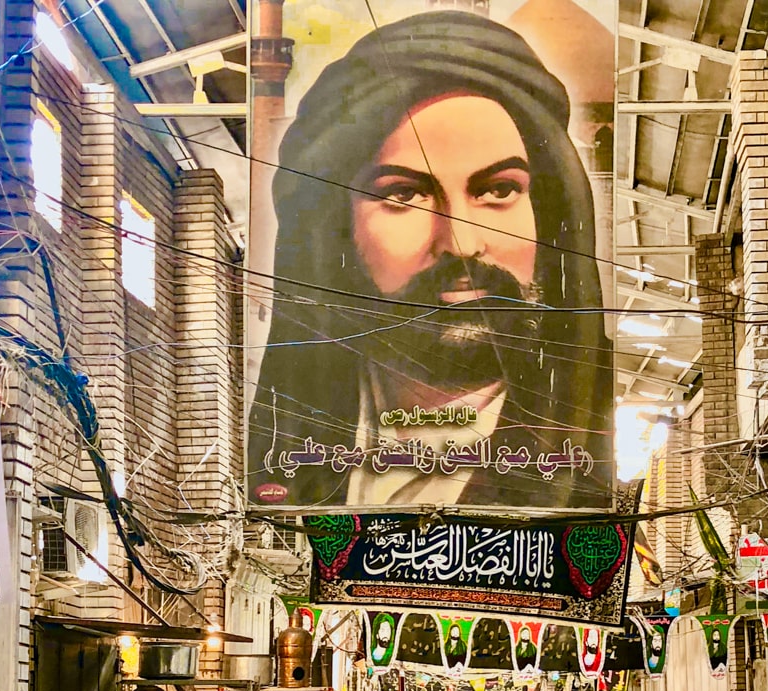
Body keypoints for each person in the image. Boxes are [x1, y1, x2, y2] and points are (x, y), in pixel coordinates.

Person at [248, 10, 612, 510]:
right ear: (335, 227)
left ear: (548, 213)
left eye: (498, 190)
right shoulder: (292, 459)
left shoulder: (588, 448)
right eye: (403, 195)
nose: (460, 242)